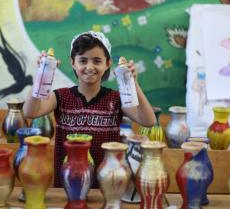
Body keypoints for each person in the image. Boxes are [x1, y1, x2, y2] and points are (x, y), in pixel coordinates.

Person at [23, 31, 156, 188]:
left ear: (108, 64)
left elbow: (149, 121)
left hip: (106, 185)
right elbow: (29, 112)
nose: (89, 67)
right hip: (68, 182)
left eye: (97, 61)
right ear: (73, 62)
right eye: (83, 60)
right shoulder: (60, 97)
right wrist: (41, 74)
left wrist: (133, 83)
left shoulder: (116, 99)